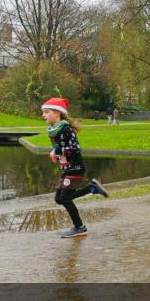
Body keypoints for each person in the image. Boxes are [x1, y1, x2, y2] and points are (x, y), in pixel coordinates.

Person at [41, 97, 109, 238]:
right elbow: (60, 147)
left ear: (57, 113)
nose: (43, 115)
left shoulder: (65, 129)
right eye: (43, 112)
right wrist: (56, 152)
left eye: (47, 112)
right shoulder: (54, 130)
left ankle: (80, 227)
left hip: (75, 168)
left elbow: (73, 149)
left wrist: (56, 152)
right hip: (66, 169)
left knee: (66, 199)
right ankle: (92, 188)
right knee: (59, 199)